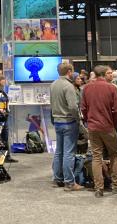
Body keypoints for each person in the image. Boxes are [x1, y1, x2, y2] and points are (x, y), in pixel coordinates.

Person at [81, 65, 117, 197]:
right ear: (104, 74)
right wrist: (114, 123)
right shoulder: (112, 88)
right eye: (109, 73)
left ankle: (98, 188)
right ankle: (116, 185)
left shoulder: (86, 88)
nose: (111, 75)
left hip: (93, 127)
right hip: (108, 126)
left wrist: (89, 121)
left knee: (96, 157)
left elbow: (83, 108)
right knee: (114, 155)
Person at [49, 63, 82, 191]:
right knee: (69, 153)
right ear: (69, 71)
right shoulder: (69, 86)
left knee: (59, 151)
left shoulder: (53, 84)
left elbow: (51, 104)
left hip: (57, 122)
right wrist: (78, 120)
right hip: (69, 122)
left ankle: (57, 178)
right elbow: (73, 107)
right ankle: (69, 182)